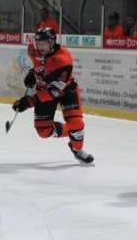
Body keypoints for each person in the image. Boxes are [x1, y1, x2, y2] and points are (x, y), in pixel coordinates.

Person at [12, 27, 93, 165]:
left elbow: (55, 91)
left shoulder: (63, 59)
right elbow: (38, 65)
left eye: (43, 43)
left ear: (52, 42)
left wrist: (29, 101)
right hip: (44, 90)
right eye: (38, 43)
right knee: (44, 131)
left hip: (65, 90)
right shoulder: (33, 49)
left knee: (76, 122)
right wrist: (32, 74)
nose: (39, 46)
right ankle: (73, 132)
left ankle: (77, 150)